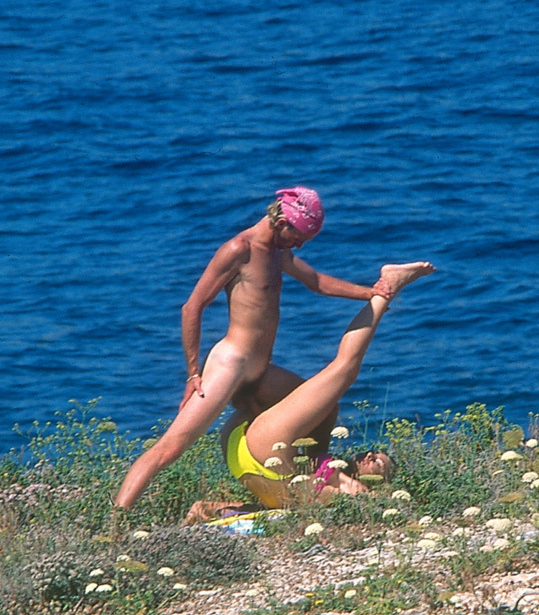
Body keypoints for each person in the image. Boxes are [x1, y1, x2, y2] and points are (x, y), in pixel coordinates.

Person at [114, 187, 411, 510]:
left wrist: (370, 292)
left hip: (261, 372)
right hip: (231, 365)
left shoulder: (277, 253)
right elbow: (192, 308)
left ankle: (317, 470)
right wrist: (193, 373)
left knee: (326, 407)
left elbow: (316, 281)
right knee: (170, 448)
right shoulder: (238, 250)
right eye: (298, 237)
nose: (299, 245)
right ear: (282, 221)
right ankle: (118, 519)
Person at [210, 262, 434, 512]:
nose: (369, 456)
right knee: (324, 406)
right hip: (244, 454)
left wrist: (374, 494)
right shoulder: (323, 465)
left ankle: (388, 287)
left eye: (378, 465)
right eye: (374, 453)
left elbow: (375, 505)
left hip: (260, 452)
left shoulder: (349, 489)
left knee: (345, 369)